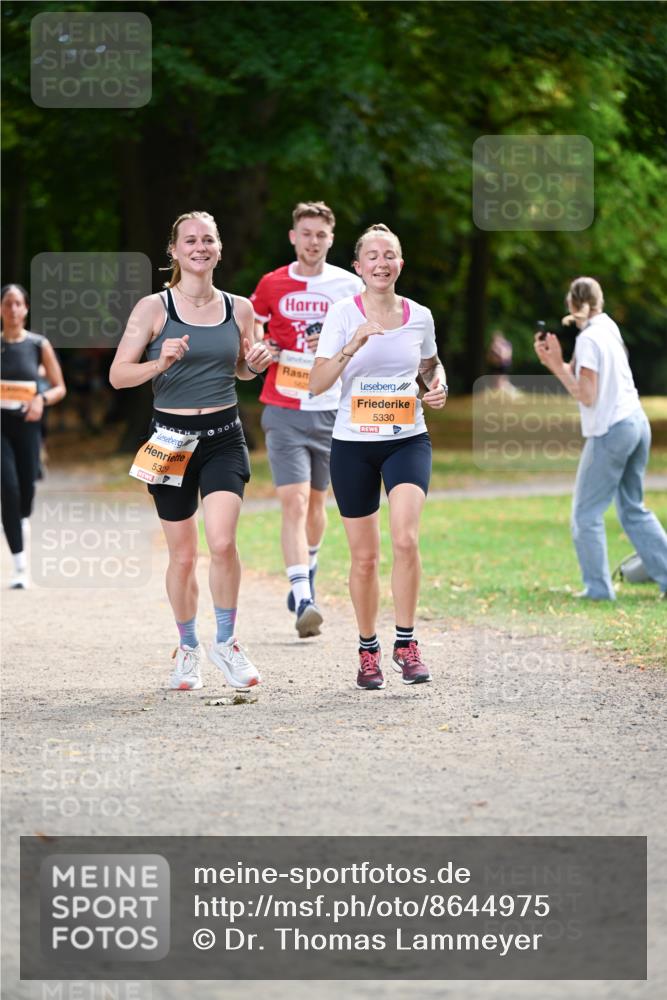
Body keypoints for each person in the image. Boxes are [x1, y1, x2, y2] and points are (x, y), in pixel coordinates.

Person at [109, 211, 272, 690]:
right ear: (175, 251)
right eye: (190, 241)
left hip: (224, 436)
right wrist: (159, 362)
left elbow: (241, 368)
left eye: (208, 240)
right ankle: (187, 647)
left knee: (222, 542)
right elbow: (119, 375)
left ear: (218, 249)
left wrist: (255, 364)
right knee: (182, 556)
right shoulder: (153, 308)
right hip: (170, 442)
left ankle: (227, 642)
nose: (199, 247)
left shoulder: (240, 309)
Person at [310, 224, 447, 690]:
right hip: (353, 446)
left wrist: (438, 385)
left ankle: (406, 644)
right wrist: (351, 347)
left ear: (400, 264)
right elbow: (316, 383)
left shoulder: (420, 316)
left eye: (389, 255)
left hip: (407, 438)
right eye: (372, 256)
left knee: (405, 539)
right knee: (364, 558)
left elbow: (429, 365)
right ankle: (368, 648)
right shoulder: (342, 314)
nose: (381, 262)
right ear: (358, 267)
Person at [250, 201, 363, 638]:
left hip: (333, 410)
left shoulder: (348, 286)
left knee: (318, 505)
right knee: (293, 502)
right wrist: (264, 349)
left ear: (330, 240)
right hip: (284, 406)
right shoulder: (272, 284)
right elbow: (253, 331)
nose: (313, 242)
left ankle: (307, 569)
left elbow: (364, 337)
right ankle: (302, 597)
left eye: (321, 235)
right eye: (306, 233)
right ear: (293, 237)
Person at [534, 276, 667, 600]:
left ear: (571, 303)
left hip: (612, 431)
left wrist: (554, 364)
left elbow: (587, 395)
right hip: (636, 422)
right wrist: (560, 361)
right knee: (632, 508)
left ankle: (597, 590)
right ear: (600, 301)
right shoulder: (607, 328)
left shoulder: (590, 339)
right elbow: (588, 379)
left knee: (585, 514)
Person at [1, 284, 66, 589]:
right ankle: (19, 567)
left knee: (25, 493)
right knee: (9, 488)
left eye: (18, 304)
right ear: (1, 309)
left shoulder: (39, 345)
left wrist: (41, 399)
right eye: (7, 304)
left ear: (26, 309)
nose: (12, 309)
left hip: (27, 427)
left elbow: (59, 387)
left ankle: (21, 523)